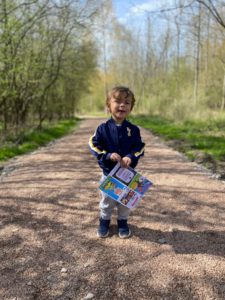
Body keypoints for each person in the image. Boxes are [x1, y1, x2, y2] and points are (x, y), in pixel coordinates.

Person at [88, 86, 145, 238]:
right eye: (117, 101)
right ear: (108, 105)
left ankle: (123, 222)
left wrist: (131, 157)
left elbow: (139, 147)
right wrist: (107, 155)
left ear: (131, 107)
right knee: (107, 202)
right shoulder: (103, 128)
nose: (122, 105)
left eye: (127, 102)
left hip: (127, 175)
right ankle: (104, 222)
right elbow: (93, 145)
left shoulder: (133, 130)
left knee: (125, 203)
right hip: (109, 175)